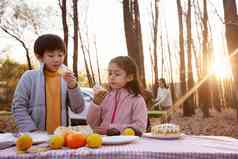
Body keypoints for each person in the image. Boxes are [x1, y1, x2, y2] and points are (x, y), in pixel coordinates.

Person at [11, 34, 85, 133]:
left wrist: (73, 86)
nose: (57, 59)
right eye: (51, 55)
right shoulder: (29, 77)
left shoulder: (67, 78)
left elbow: (78, 109)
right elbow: (18, 107)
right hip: (36, 139)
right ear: (39, 57)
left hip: (61, 139)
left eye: (60, 55)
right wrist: (31, 132)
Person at [87, 56, 147, 135]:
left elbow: (140, 127)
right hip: (104, 143)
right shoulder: (105, 97)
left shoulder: (137, 100)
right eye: (110, 73)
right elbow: (92, 125)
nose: (112, 77)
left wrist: (111, 129)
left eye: (117, 74)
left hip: (127, 144)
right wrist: (95, 104)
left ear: (129, 77)